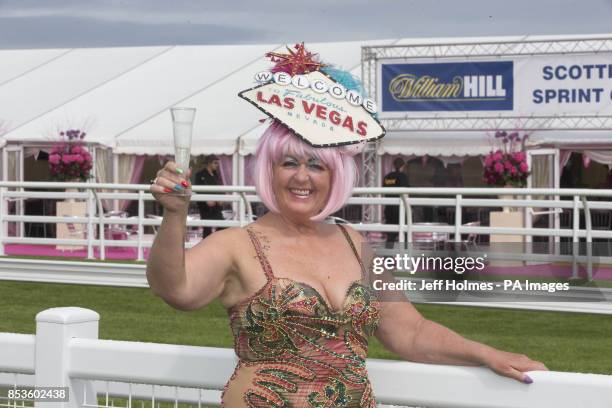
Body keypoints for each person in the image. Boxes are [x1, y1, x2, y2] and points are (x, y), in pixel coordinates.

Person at [147, 44, 546, 407]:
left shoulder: (353, 243)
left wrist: (488, 354)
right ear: (269, 169)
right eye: (290, 163)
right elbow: (176, 289)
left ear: (336, 174)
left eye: (317, 165)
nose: (303, 177)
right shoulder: (237, 244)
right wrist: (175, 216)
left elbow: (410, 331)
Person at [194, 154, 223, 238]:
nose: (217, 165)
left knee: (222, 225)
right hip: (205, 206)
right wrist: (206, 200)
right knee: (207, 228)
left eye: (217, 163)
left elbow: (219, 188)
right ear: (209, 163)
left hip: (216, 205)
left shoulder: (216, 175)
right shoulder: (200, 175)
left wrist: (221, 198)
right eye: (215, 163)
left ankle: (216, 242)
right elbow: (197, 189)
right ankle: (206, 246)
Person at [383, 157, 408, 244]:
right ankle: (406, 255)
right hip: (399, 209)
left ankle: (387, 255)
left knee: (391, 235)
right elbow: (407, 192)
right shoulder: (403, 177)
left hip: (389, 209)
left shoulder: (387, 177)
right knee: (405, 234)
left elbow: (384, 191)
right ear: (403, 166)